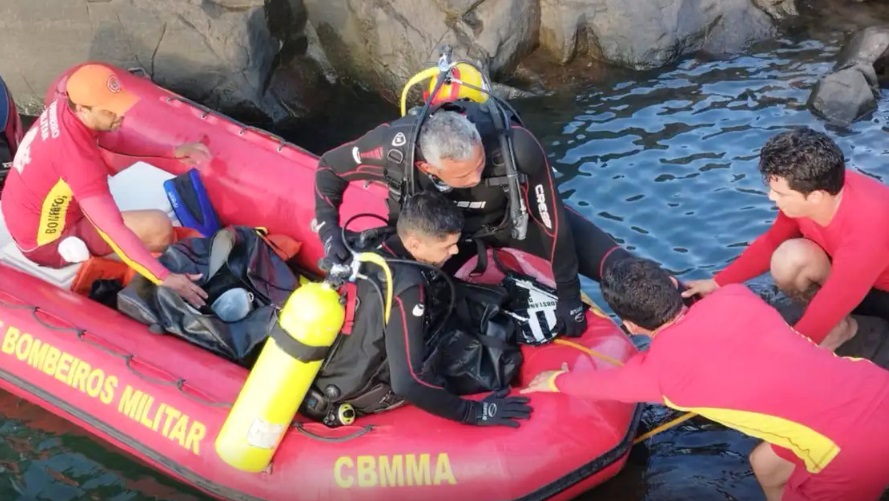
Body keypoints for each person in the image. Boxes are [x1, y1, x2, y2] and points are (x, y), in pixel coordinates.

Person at [523, 257, 889, 501]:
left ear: (631, 326)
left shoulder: (658, 375)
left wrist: (552, 380)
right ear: (672, 282)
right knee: (765, 463)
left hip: (853, 451)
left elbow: (597, 385)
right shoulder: (734, 296)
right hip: (874, 387)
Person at [314, 65, 631, 338]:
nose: (477, 178)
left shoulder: (516, 147)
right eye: (464, 175)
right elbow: (328, 168)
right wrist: (329, 233)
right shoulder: (393, 151)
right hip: (441, 241)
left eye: (480, 165)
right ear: (428, 168)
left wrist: (569, 295)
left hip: (510, 223)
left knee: (624, 270)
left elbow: (555, 226)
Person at [307, 190, 532, 428]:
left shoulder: (369, 245)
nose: (454, 251)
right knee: (486, 359)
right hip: (356, 394)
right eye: (447, 246)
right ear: (415, 243)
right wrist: (475, 412)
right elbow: (407, 383)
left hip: (328, 373)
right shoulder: (408, 288)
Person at [0, 64, 211, 307]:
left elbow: (111, 138)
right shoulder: (78, 162)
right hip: (47, 242)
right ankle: (120, 269)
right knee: (159, 228)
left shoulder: (64, 105)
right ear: (83, 109)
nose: (120, 115)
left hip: (21, 209)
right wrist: (164, 277)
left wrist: (171, 151)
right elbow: (111, 227)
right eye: (110, 112)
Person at [682, 127, 889, 351]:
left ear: (815, 197)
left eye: (780, 194)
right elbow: (773, 241)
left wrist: (787, 351)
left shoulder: (868, 226)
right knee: (789, 257)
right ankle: (839, 327)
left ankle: (845, 330)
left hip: (881, 292)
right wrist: (717, 283)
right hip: (851, 278)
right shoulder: (816, 186)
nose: (771, 197)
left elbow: (834, 299)